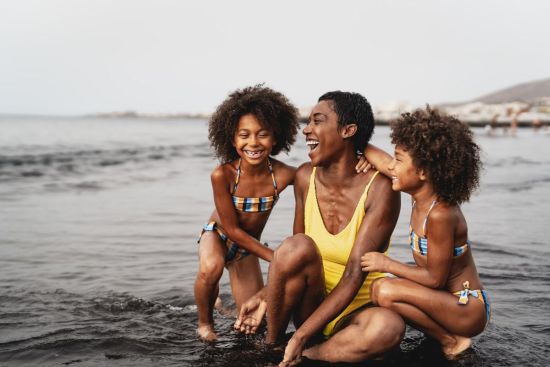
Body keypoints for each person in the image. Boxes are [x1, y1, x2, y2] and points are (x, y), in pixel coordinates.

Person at [235, 91, 405, 365]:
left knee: (388, 328)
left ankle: (303, 353)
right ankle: (272, 346)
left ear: (348, 130)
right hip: (310, 302)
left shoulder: (381, 188)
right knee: (297, 245)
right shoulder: (304, 176)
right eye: (308, 121)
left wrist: (301, 337)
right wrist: (266, 295)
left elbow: (353, 275)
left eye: (318, 121)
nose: (307, 129)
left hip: (355, 311)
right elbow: (291, 257)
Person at [359, 107, 490, 358]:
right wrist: (354, 145)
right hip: (445, 302)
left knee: (384, 289)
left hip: (467, 309)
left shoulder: (440, 214)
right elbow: (382, 161)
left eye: (399, 160)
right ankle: (444, 335)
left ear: (422, 172)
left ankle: (451, 341)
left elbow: (434, 279)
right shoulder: (419, 193)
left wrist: (385, 262)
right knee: (380, 287)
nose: (391, 166)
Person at [194, 85, 300, 341]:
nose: (253, 143)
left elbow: (324, 176)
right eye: (244, 135)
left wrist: (362, 158)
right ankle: (205, 322)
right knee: (212, 267)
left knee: (255, 321)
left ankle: (221, 306)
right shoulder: (223, 175)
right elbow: (231, 229)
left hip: (247, 249)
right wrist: (277, 259)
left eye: (262, 135)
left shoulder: (285, 175)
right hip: (219, 236)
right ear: (232, 139)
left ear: (275, 138)